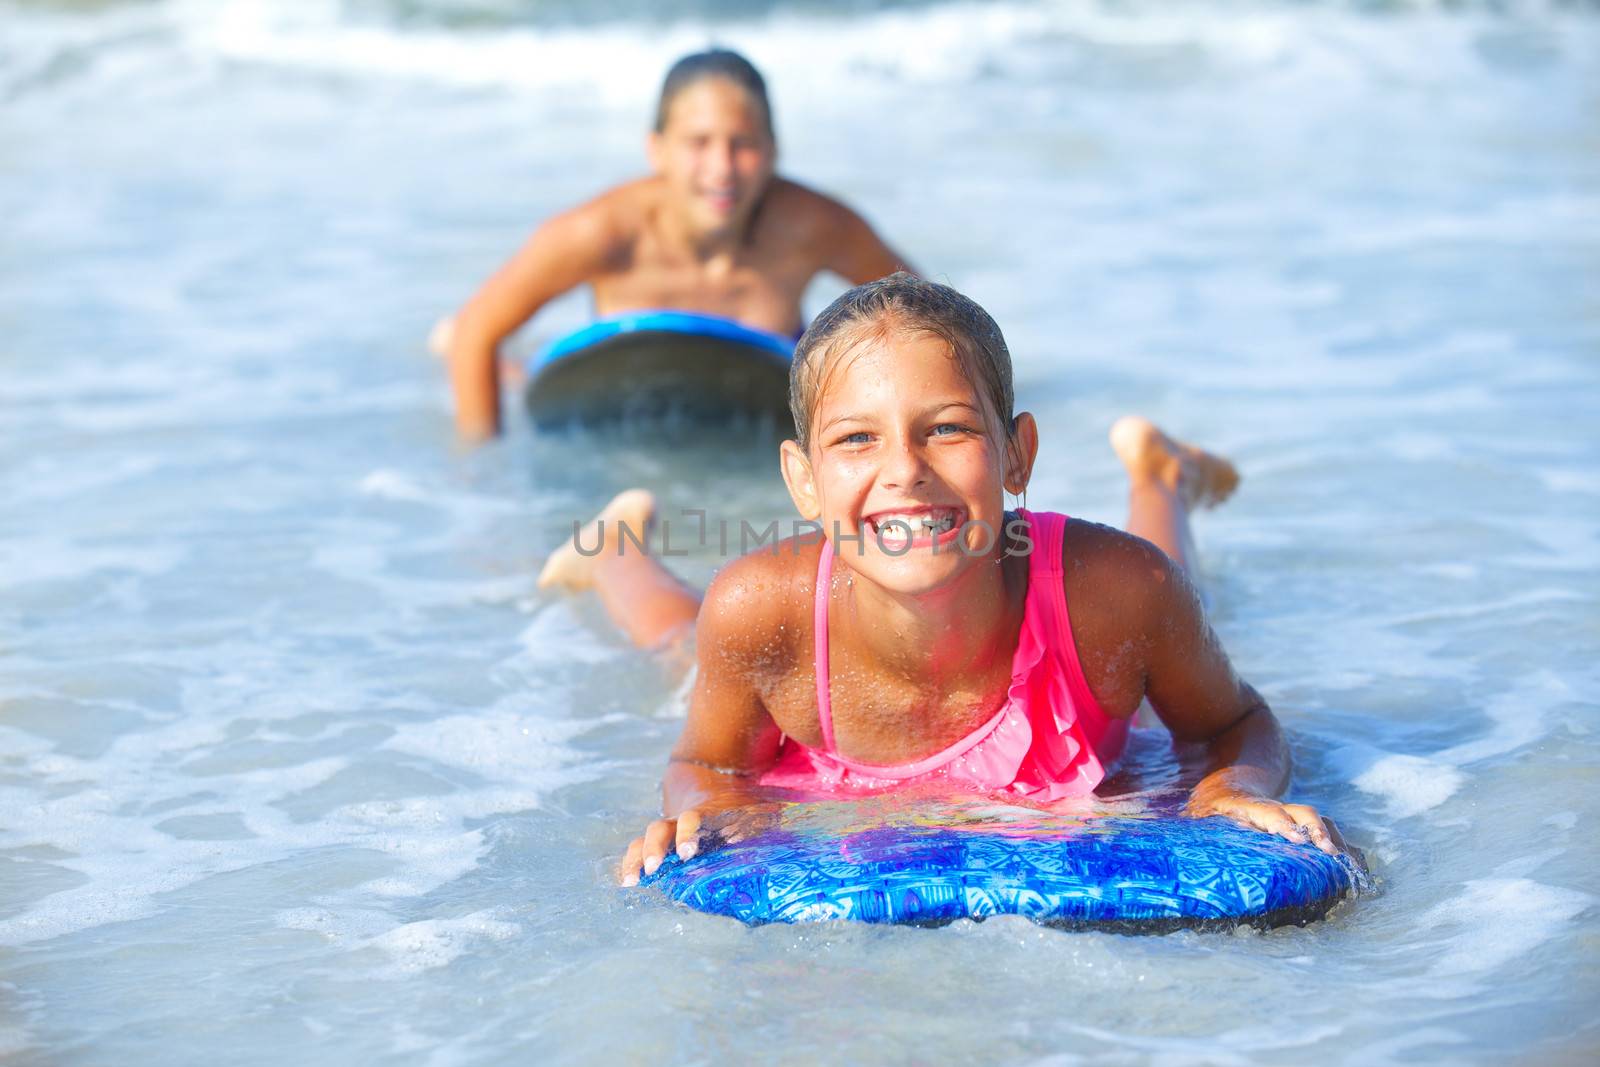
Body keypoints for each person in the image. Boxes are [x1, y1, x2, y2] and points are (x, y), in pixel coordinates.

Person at [536, 274, 1347, 884]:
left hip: (1098, 593)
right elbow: (708, 764)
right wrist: (713, 814)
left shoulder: (1117, 593)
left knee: (1167, 589)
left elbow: (1234, 721)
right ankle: (612, 550)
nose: (905, 472)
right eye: (857, 439)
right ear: (804, 479)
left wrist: (1226, 791)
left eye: (948, 429)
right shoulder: (763, 612)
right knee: (684, 648)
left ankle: (1160, 478)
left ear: (1018, 453)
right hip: (798, 629)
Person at [439, 48, 914, 441]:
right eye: (698, 142)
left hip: (754, 412)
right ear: (656, 149)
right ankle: (514, 371)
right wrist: (481, 479)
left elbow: (922, 315)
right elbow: (474, 333)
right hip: (630, 410)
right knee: (467, 345)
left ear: (772, 151)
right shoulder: (603, 232)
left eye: (742, 144)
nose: (721, 168)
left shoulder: (812, 225)